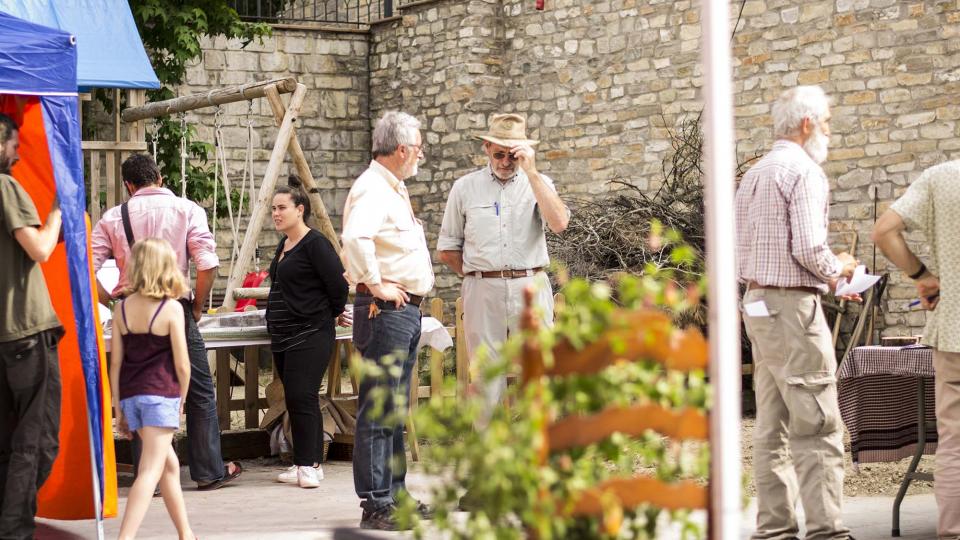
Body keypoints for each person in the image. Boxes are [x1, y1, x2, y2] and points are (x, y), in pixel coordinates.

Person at [735, 86, 858, 540]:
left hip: (757, 302)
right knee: (818, 419)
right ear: (807, 124)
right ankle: (827, 531)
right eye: (826, 122)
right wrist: (838, 271)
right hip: (790, 307)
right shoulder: (803, 171)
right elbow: (808, 247)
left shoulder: (754, 173)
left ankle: (774, 528)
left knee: (772, 423)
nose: (829, 130)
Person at [91, 154, 241, 490]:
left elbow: (85, 266)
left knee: (140, 383)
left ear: (129, 186)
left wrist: (110, 298)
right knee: (201, 391)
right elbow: (206, 264)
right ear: (160, 178)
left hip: (131, 308)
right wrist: (198, 305)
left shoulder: (114, 217)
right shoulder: (187, 210)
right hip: (175, 307)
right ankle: (208, 471)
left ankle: (153, 475)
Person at [437, 113, 569, 408]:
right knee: (484, 373)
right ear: (486, 147)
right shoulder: (464, 188)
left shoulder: (540, 182)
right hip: (482, 288)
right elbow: (447, 249)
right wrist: (477, 277)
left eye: (513, 155)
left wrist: (532, 173)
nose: (506, 162)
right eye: (499, 154)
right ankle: (485, 450)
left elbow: (559, 223)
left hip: (530, 284)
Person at [341, 111, 434, 530]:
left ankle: (394, 494)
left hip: (404, 308)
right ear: (401, 150)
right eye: (418, 148)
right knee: (379, 408)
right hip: (387, 310)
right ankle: (376, 502)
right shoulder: (374, 189)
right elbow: (355, 239)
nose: (421, 155)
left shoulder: (391, 188)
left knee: (393, 408)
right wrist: (375, 284)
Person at [873, 165, 960, 539]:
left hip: (954, 331)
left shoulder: (942, 177)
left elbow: (883, 232)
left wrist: (922, 275)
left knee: (954, 444)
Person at [0, 112, 63, 538]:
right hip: (24, 330)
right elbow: (39, 248)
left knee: (8, 445)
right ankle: (15, 530)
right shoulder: (4, 185)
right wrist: (61, 209)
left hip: (6, 338)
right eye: (13, 145)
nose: (18, 155)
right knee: (37, 442)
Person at [266, 178, 348, 489]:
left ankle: (308, 464)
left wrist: (331, 311)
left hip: (310, 331)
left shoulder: (315, 244)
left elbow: (338, 284)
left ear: (300, 210)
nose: (276, 213)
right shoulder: (284, 244)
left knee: (303, 396)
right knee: (297, 398)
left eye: (282, 208)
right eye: (273, 209)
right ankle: (307, 459)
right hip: (284, 334)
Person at [110, 238, 195, 540]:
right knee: (148, 472)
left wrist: (119, 409)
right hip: (161, 394)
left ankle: (186, 533)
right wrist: (182, 399)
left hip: (132, 396)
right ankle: (124, 538)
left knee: (168, 465)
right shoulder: (171, 309)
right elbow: (183, 365)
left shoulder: (121, 309)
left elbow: (116, 365)